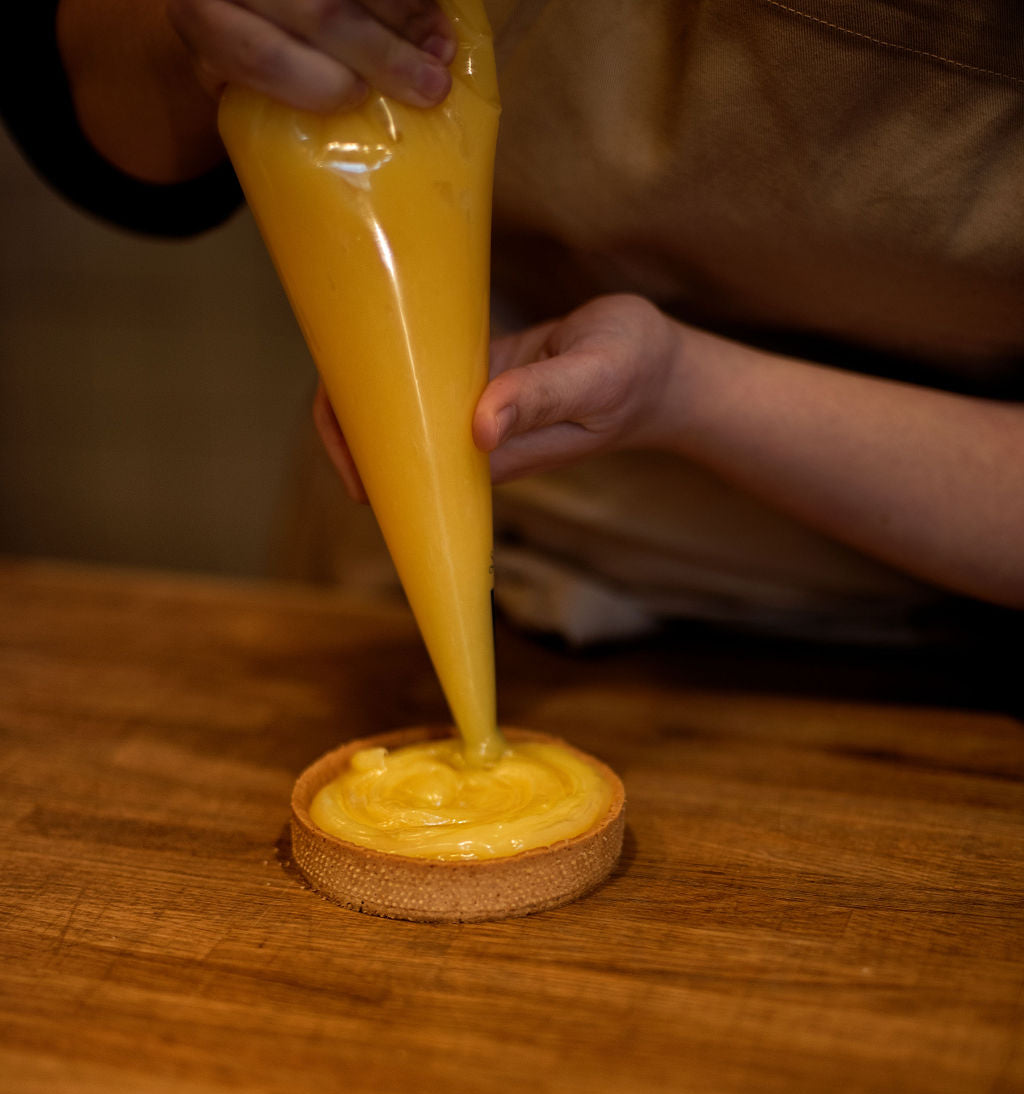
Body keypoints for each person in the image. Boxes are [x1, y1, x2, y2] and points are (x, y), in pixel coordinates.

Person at [7, 0, 1024, 643]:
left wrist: (690, 389)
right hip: (398, 578)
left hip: (929, 647)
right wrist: (205, 33)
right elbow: (99, 114)